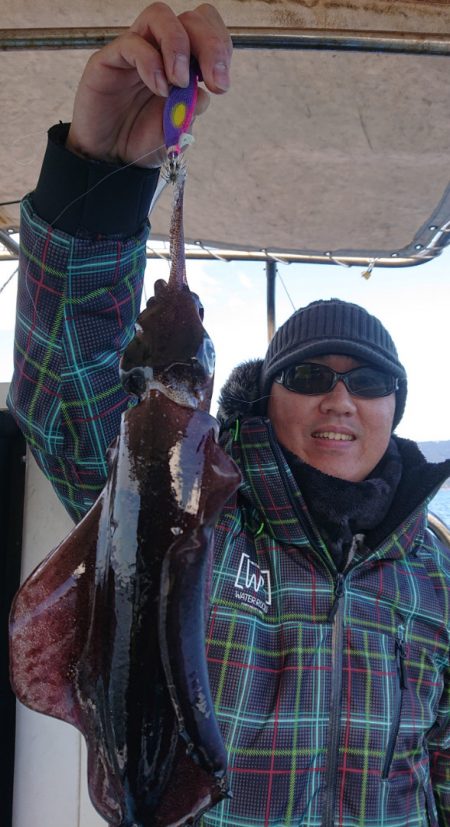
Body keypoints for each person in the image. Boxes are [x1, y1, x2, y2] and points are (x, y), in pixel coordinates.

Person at [7, 4, 450, 825]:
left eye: (369, 381)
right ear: (261, 394)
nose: (340, 398)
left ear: (398, 404)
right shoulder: (204, 508)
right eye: (310, 373)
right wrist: (98, 179)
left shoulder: (437, 570)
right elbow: (68, 393)